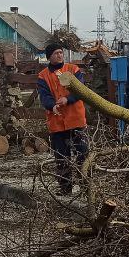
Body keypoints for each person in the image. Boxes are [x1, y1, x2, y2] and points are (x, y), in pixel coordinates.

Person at [37, 41, 89, 195]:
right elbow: (44, 96)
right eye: (56, 53)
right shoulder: (43, 76)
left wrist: (68, 99)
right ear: (49, 57)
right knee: (61, 157)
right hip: (57, 123)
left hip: (76, 120)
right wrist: (52, 105)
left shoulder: (73, 69)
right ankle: (65, 189)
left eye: (61, 52)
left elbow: (81, 90)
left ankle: (87, 187)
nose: (60, 55)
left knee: (83, 155)